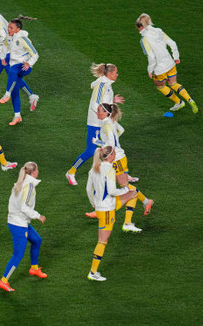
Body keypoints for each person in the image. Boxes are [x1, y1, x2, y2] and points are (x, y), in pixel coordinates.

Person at [89, 103, 154, 232]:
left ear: (107, 113)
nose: (97, 114)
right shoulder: (110, 121)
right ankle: (144, 204)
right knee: (125, 188)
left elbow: (111, 144)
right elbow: (121, 130)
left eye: (99, 111)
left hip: (116, 159)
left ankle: (136, 211)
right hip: (119, 157)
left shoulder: (106, 125)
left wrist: (98, 142)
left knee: (126, 189)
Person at [66, 63, 125, 186]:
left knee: (113, 142)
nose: (117, 74)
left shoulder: (105, 83)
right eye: (115, 72)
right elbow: (95, 104)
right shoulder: (102, 84)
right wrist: (105, 116)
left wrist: (112, 101)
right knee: (92, 150)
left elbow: (95, 88)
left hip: (105, 121)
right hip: (96, 122)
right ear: (109, 74)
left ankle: (123, 173)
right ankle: (71, 172)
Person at [86, 146, 137, 281]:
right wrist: (125, 189)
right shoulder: (109, 169)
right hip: (107, 210)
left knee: (133, 194)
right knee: (102, 242)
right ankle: (93, 272)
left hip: (102, 208)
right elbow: (112, 191)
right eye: (114, 153)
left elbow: (88, 189)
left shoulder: (93, 169)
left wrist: (94, 204)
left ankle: (128, 222)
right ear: (111, 156)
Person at [0, 0, 39, 111]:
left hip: (7, 53)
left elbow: (4, 37)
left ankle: (32, 96)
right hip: (1, 52)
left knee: (14, 78)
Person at [0, 162, 47, 292]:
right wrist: (38, 216)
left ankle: (34, 268)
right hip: (19, 224)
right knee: (18, 254)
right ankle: (3, 281)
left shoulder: (21, 182)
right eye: (38, 169)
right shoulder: (29, 185)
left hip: (17, 221)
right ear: (34, 172)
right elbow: (24, 207)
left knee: (37, 240)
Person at [135, 13, 198, 113]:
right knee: (174, 84)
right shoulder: (159, 31)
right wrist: (176, 57)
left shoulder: (144, 40)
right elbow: (172, 43)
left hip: (159, 68)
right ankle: (190, 99)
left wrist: (150, 70)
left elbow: (151, 57)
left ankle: (179, 102)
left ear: (140, 27)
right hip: (170, 63)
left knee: (160, 86)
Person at [0, 16, 39, 126]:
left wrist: (29, 63)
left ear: (18, 29)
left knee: (12, 71)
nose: (9, 30)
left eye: (11, 28)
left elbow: (35, 53)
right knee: (15, 88)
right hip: (14, 64)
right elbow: (4, 46)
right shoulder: (9, 37)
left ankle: (7, 94)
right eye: (8, 27)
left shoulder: (23, 38)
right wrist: (2, 58)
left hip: (24, 66)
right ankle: (18, 115)